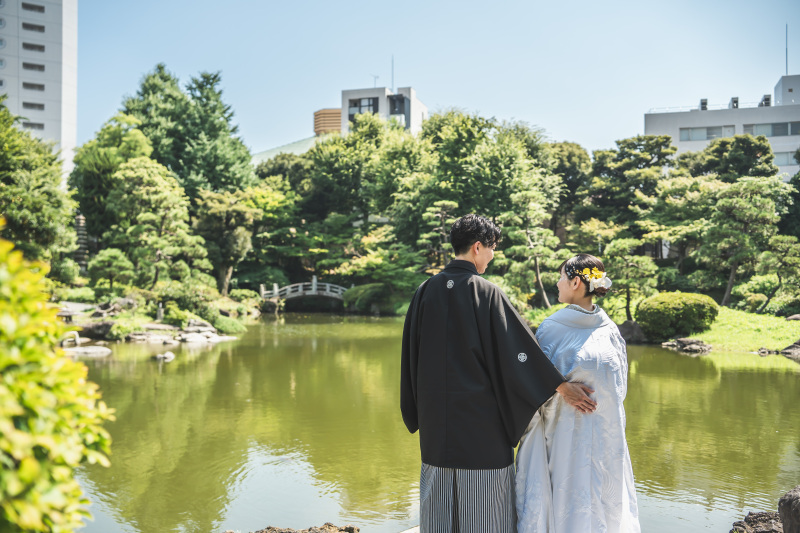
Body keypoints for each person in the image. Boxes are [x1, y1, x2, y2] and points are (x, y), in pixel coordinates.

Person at [401, 214, 597, 533]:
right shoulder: (487, 292)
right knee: (486, 514)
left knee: (437, 513)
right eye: (491, 248)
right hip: (481, 427)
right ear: (478, 247)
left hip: (436, 424)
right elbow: (519, 354)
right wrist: (559, 385)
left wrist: (418, 409)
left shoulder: (425, 291)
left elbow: (410, 355)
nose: (492, 256)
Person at [515, 254, 641, 533]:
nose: (557, 284)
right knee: (602, 494)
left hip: (564, 434)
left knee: (566, 491)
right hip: (604, 430)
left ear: (575, 282)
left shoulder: (552, 329)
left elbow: (534, 382)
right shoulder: (610, 331)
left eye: (561, 277)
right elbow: (620, 389)